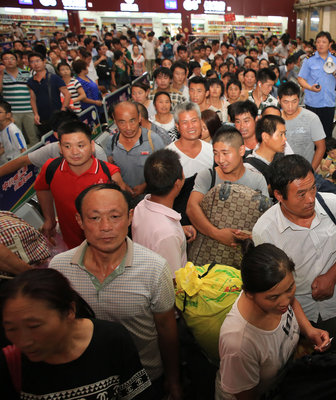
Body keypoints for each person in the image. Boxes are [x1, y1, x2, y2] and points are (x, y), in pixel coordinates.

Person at [50, 183, 181, 399]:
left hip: (146, 379)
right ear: (79, 221)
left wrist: (173, 380)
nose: (106, 227)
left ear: (130, 218)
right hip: (86, 382)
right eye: (94, 218)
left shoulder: (154, 268)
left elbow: (167, 330)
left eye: (114, 216)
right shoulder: (60, 268)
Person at [252, 155, 336, 350]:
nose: (311, 199)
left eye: (313, 187)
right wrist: (307, 328)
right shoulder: (265, 231)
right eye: (301, 194)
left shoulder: (332, 204)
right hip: (294, 312)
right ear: (279, 195)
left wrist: (332, 276)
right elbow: (277, 288)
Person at [0, 268, 153, 400]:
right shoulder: (10, 362)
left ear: (69, 311)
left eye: (34, 326)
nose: (24, 341)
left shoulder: (111, 339)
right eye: (12, 329)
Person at [217, 241, 331, 399]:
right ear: (249, 293)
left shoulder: (278, 300)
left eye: (290, 288)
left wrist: (309, 331)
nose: (285, 301)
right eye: (273, 297)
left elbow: (291, 302)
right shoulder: (239, 343)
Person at [34, 121, 124, 249]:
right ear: (60, 148)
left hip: (105, 245)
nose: (75, 152)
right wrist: (49, 218)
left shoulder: (109, 173)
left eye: (81, 145)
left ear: (92, 146)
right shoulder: (51, 168)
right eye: (67, 146)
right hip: (70, 245)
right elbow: (42, 188)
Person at [186, 126, 268, 247]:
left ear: (241, 150)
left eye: (225, 153)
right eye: (216, 153)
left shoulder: (257, 179)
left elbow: (266, 217)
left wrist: (251, 236)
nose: (220, 159)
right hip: (209, 249)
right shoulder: (208, 176)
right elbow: (191, 207)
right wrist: (217, 234)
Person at [132, 149, 197, 279]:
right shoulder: (168, 234)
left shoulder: (141, 206)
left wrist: (179, 229)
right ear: (178, 183)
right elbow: (172, 281)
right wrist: (174, 233)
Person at [106, 101, 166, 198]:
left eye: (132, 121)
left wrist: (146, 184)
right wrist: (121, 184)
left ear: (139, 118)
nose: (128, 127)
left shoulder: (154, 140)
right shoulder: (111, 142)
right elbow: (110, 169)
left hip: (150, 198)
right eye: (122, 122)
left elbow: (164, 170)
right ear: (115, 120)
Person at [297, 31, 336, 138]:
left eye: (324, 42)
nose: (320, 44)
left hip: (328, 103)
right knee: (312, 135)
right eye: (318, 42)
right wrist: (310, 87)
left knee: (326, 135)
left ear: (329, 45)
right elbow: (300, 78)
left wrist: (334, 71)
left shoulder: (334, 59)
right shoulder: (309, 60)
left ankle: (324, 155)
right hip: (313, 104)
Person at [279, 81, 326, 170]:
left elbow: (321, 147)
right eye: (286, 102)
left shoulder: (312, 118)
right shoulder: (275, 119)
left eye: (294, 101)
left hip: (305, 170)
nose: (290, 106)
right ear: (278, 99)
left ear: (299, 99)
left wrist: (311, 171)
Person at [166, 102, 214, 178]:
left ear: (200, 122)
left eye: (194, 121)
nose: (190, 126)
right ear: (177, 126)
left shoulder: (211, 151)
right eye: (185, 122)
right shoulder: (168, 155)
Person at [27, 52, 70, 135]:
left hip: (57, 116)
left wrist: (62, 111)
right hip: (42, 118)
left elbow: (67, 94)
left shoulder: (54, 78)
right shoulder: (30, 81)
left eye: (38, 61)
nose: (35, 64)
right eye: (32, 62)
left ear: (44, 61)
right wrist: (36, 114)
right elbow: (33, 99)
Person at [0, 51, 37, 145]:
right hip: (12, 113)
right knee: (15, 138)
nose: (10, 61)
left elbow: (32, 91)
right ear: (2, 61)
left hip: (28, 109)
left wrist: (35, 111)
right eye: (6, 59)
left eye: (12, 58)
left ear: (17, 61)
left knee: (33, 136)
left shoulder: (26, 73)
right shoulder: (1, 75)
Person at [245, 114, 287, 186]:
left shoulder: (281, 157)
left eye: (285, 134)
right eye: (281, 134)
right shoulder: (249, 167)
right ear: (265, 137)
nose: (285, 139)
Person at [0, 100, 27, 165]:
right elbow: (3, 147)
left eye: (0, 112)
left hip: (15, 163)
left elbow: (23, 149)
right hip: (6, 162)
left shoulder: (13, 130)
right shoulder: (2, 129)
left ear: (8, 115)